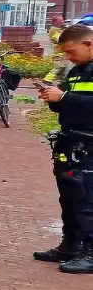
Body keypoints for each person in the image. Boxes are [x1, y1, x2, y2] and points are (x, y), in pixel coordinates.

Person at [36, 24, 93, 274]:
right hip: (72, 143)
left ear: (89, 44)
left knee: (87, 200)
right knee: (70, 198)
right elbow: (69, 103)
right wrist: (53, 99)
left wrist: (65, 98)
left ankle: (90, 253)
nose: (69, 58)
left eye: (72, 52)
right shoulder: (78, 71)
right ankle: (70, 246)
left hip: (91, 145)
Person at [45, 15, 70, 83]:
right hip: (58, 53)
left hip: (62, 52)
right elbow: (60, 39)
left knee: (64, 67)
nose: (63, 21)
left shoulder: (58, 29)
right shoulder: (54, 30)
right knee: (58, 67)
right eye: (61, 20)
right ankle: (47, 80)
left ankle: (62, 82)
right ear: (55, 22)